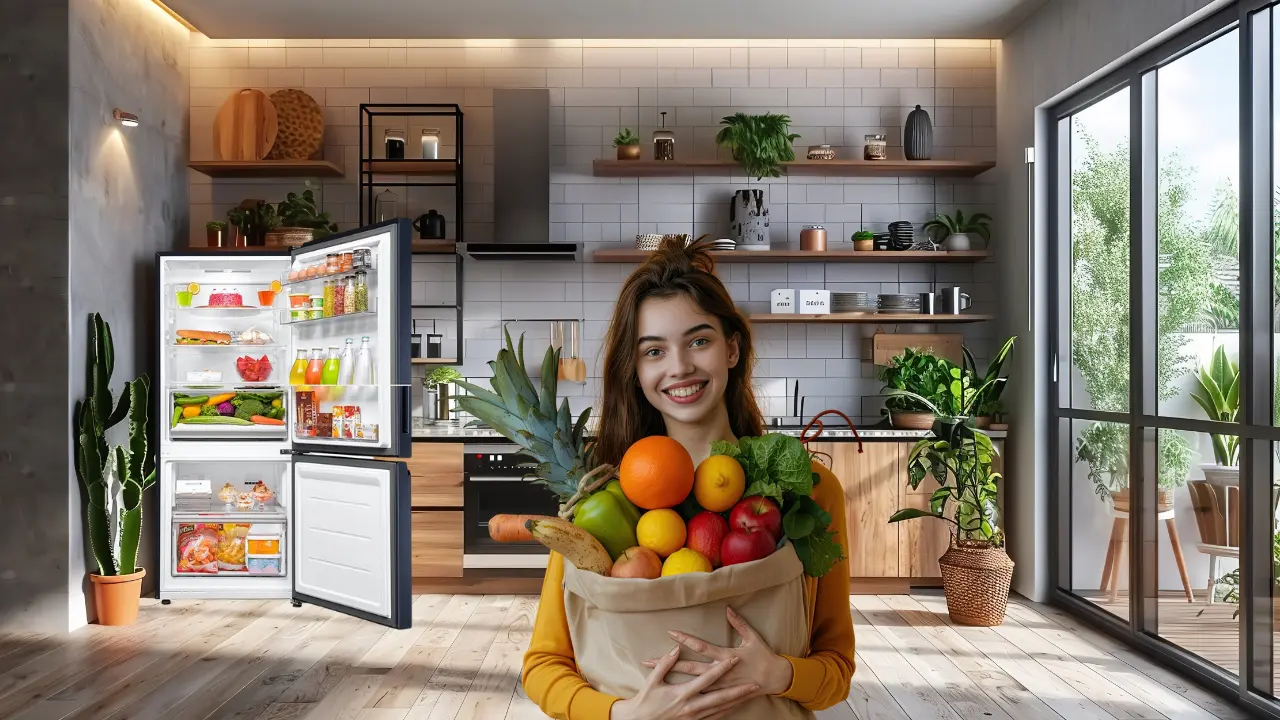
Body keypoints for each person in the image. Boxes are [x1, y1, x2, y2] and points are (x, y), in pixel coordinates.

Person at [521, 236, 855, 720]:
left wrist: (779, 674)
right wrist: (622, 714)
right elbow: (545, 665)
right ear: (634, 371)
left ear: (732, 349)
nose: (679, 367)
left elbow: (837, 670)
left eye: (699, 341)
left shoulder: (811, 491)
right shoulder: (600, 503)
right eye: (653, 351)